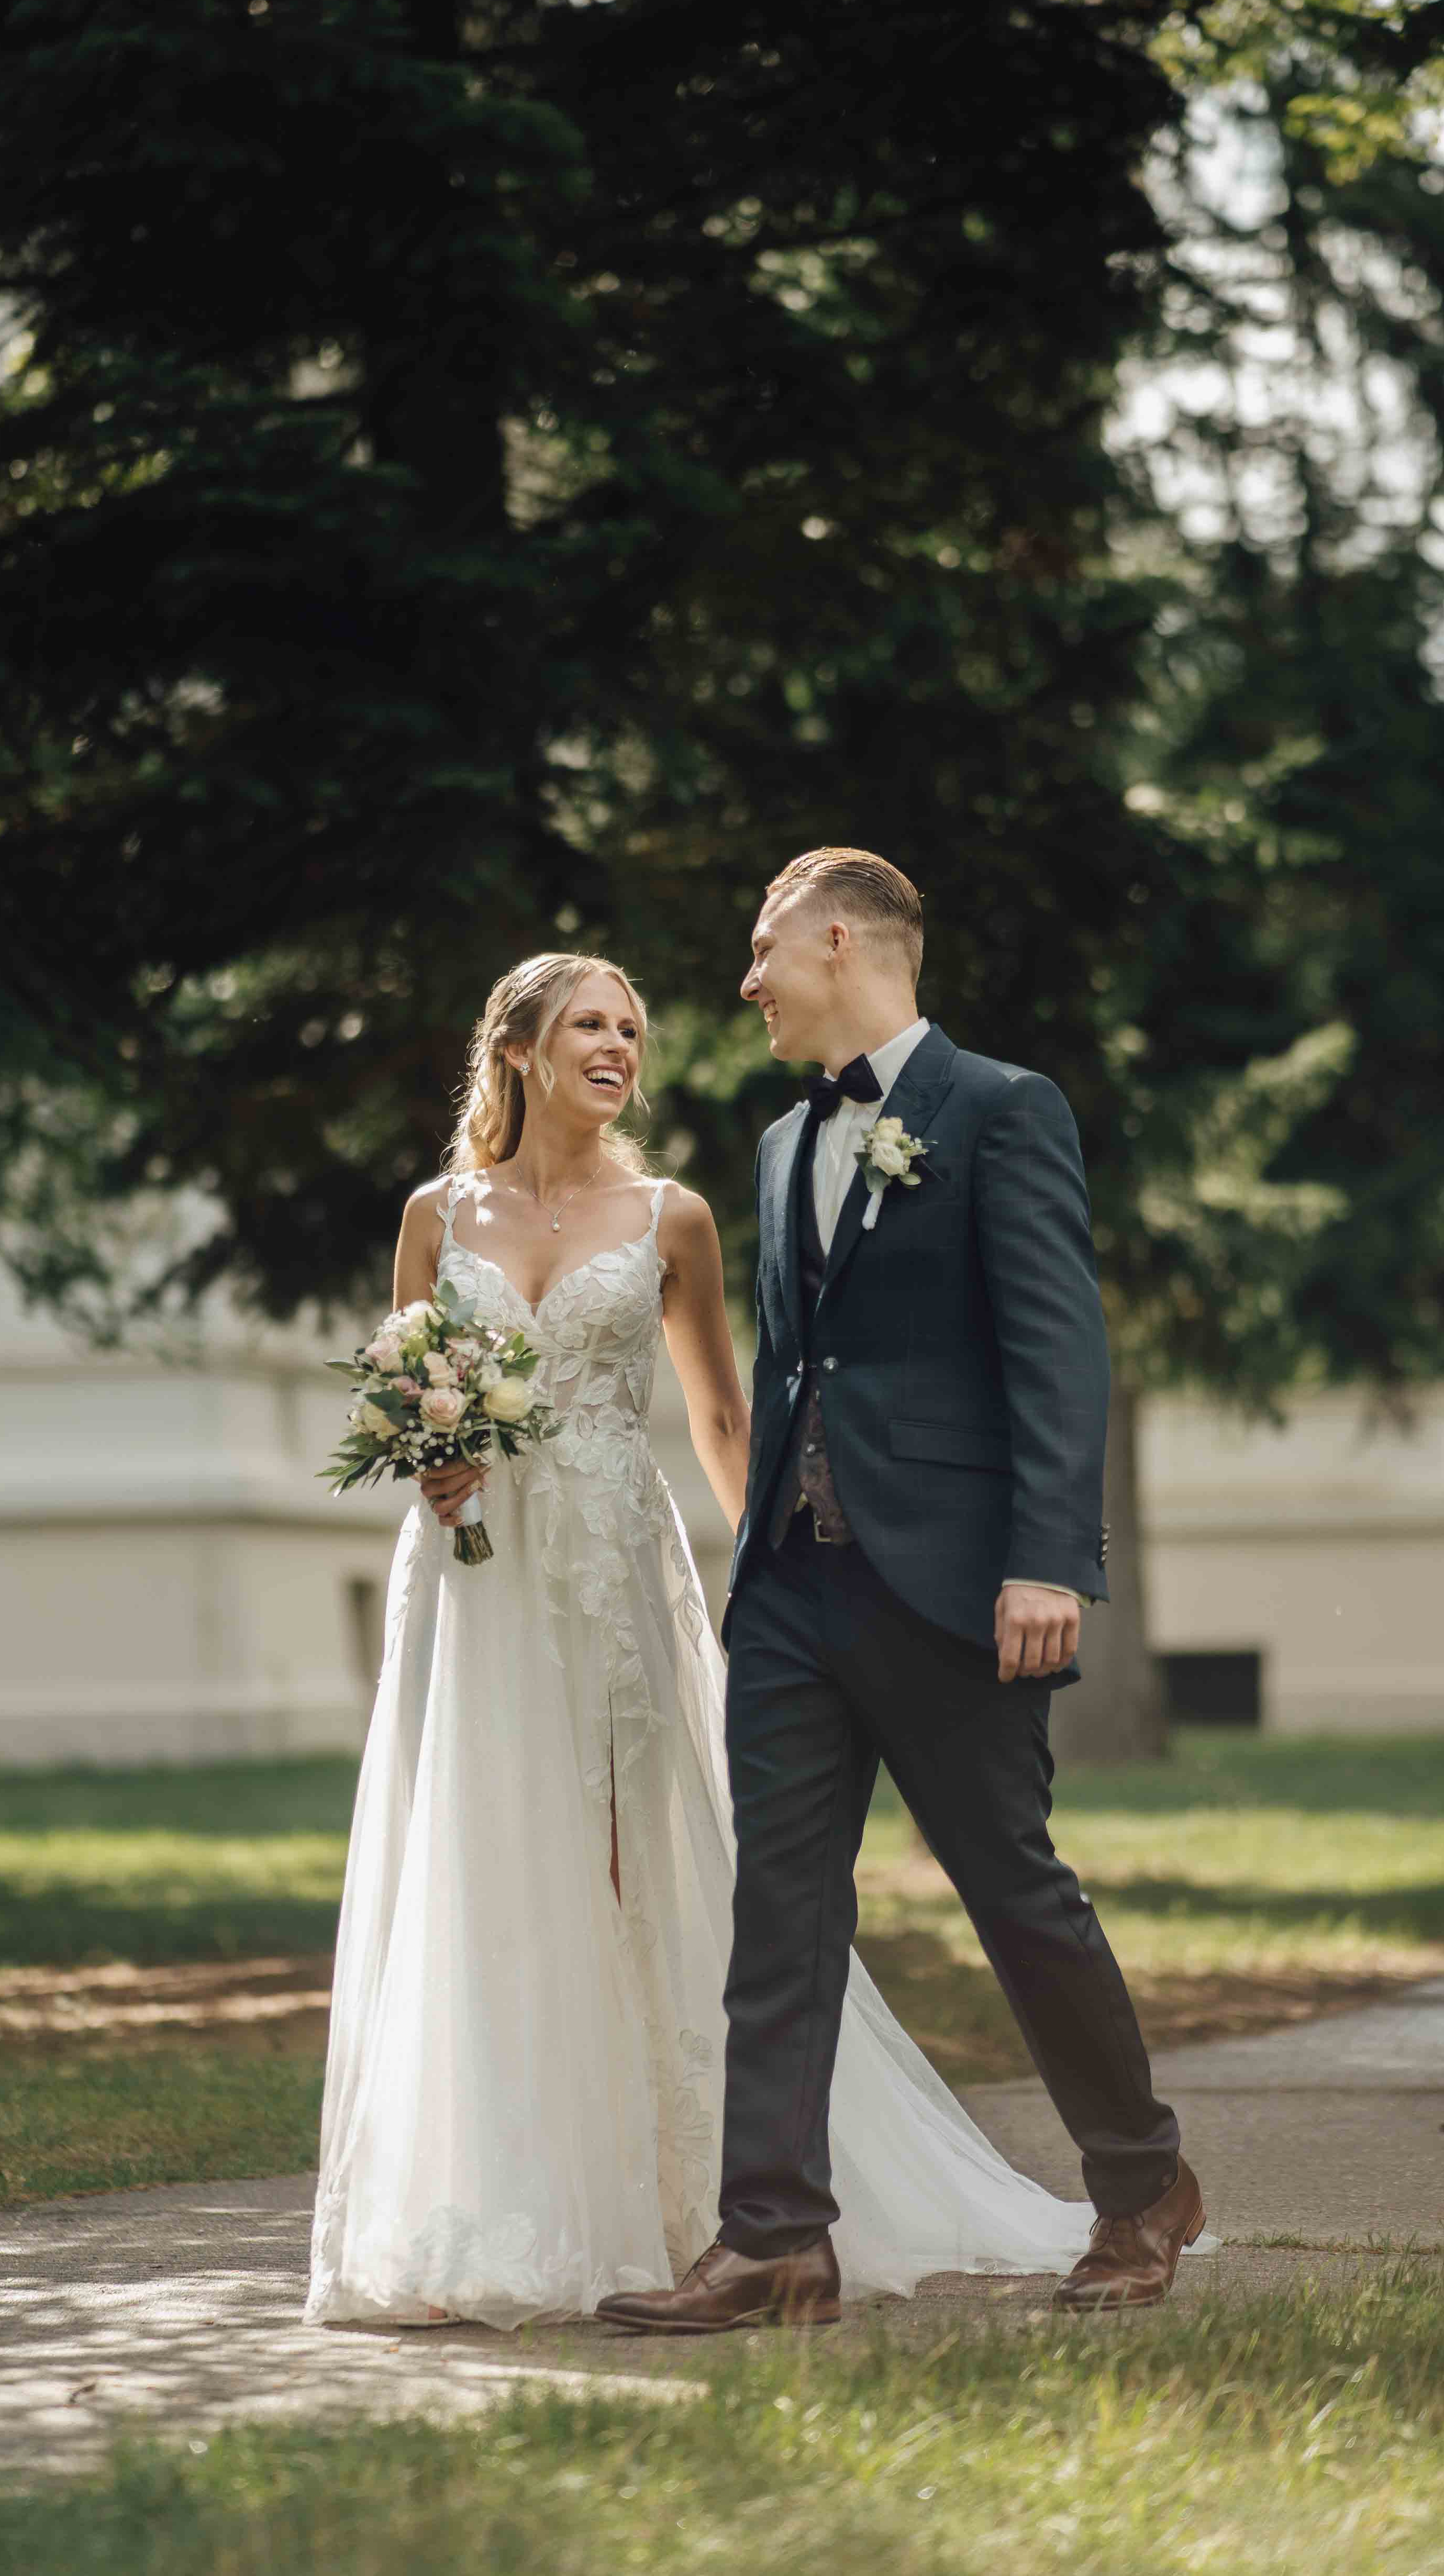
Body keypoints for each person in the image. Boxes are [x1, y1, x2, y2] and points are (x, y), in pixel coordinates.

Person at [304, 941, 1103, 2330]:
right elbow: (417, 1381)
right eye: (590, 1026)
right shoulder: (436, 1213)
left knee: (639, 1854)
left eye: (632, 1028)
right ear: (519, 1048)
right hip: (476, 1575)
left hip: (617, 1560)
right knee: (484, 1850)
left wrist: (776, 1580)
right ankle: (495, 2200)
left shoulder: (673, 1215)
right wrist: (431, 1461)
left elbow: (730, 1416)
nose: (619, 1047)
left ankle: (689, 2200)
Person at [596, 850, 1204, 2337]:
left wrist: (1047, 1556)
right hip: (793, 1589)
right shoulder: (769, 1143)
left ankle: (1139, 2188)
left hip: (952, 1584)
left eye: (761, 952)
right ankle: (774, 2240)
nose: (742, 985)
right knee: (779, 1915)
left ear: (841, 940)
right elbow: (792, 1370)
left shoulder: (1001, 1109)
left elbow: (1059, 1349)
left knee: (1015, 1896)